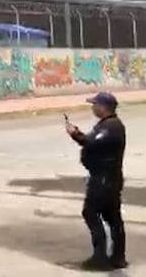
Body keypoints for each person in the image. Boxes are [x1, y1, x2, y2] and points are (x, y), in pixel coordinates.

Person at [66, 91, 127, 271]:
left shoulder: (111, 126)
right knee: (113, 217)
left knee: (91, 212)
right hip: (108, 178)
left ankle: (100, 258)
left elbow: (90, 142)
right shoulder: (108, 125)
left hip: (104, 179)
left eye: (95, 104)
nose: (93, 108)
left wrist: (74, 134)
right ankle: (117, 257)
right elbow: (93, 142)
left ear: (103, 107)